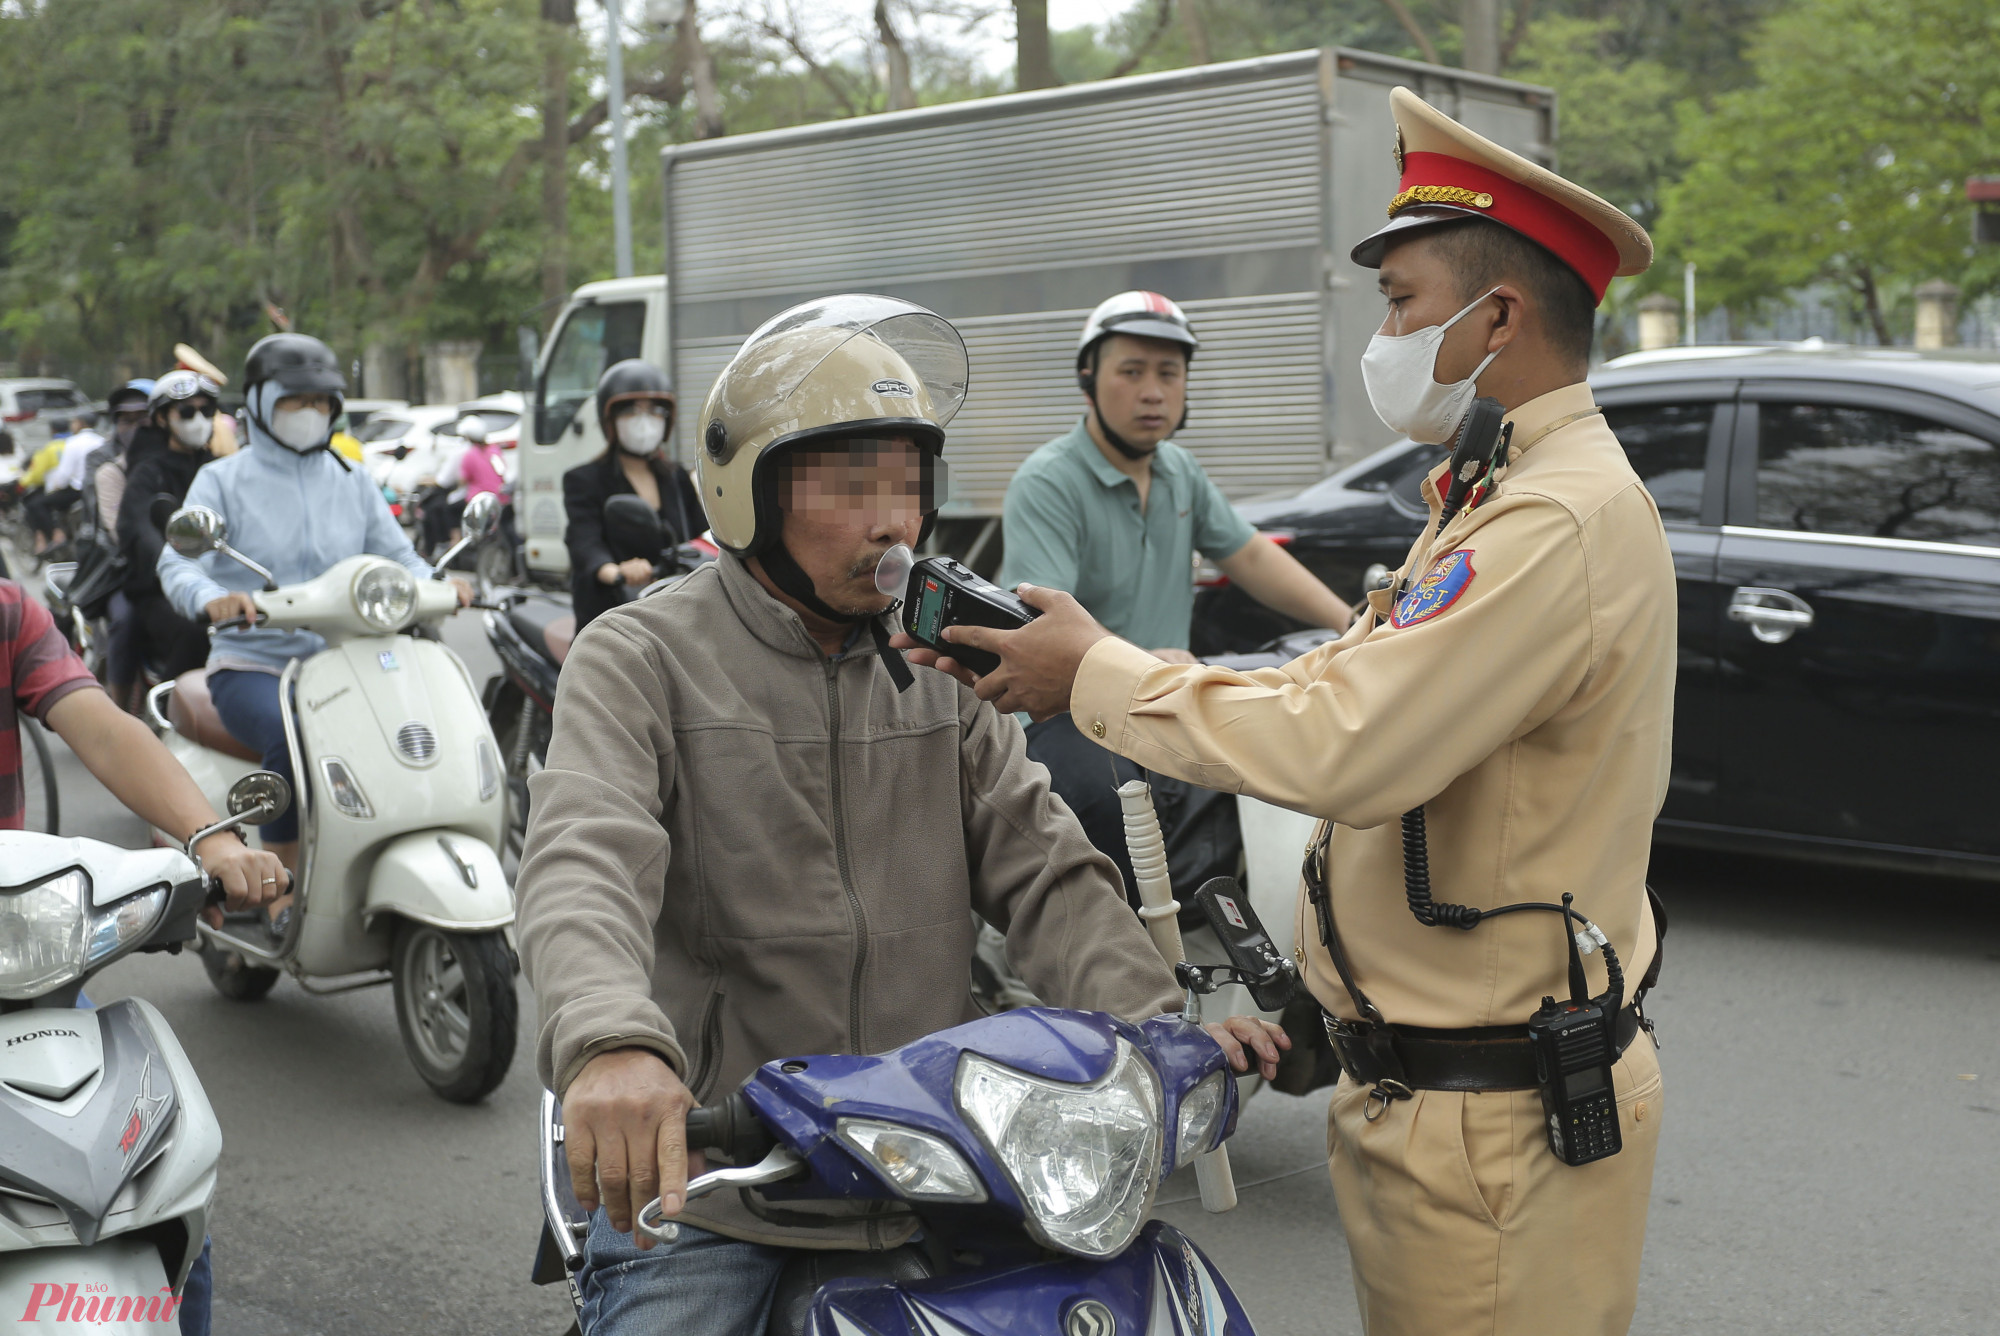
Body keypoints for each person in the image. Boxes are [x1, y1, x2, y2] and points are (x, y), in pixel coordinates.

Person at [900, 88, 1673, 1336]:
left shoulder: (1547, 518)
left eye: (1401, 301)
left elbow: (1338, 739)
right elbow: (1341, 685)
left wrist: (1094, 671)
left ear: (1496, 315)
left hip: (1488, 1112)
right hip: (1437, 1094)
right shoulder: (1492, 488)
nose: (1387, 331)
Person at [515, 295, 1285, 1336]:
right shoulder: (643, 658)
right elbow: (580, 859)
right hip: (721, 1172)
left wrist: (1155, 1029)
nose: (891, 520)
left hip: (940, 1147)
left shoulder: (936, 670)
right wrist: (612, 1045)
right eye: (848, 484)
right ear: (748, 496)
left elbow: (1047, 868)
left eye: (906, 483)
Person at [2, 574, 288, 1336]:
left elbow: (101, 726)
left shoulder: (7, 611)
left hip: (15, 963)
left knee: (145, 1183)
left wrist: (211, 839)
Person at [999, 290, 1354, 900]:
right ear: (1089, 377)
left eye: (1169, 373)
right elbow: (1042, 624)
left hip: (1161, 703)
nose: (1153, 392)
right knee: (1118, 870)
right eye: (1131, 372)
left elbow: (1247, 554)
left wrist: (1352, 625)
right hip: (1075, 715)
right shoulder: (1049, 480)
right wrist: (1136, 663)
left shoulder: (1178, 470)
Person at [157, 333, 469, 913]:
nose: (311, 414)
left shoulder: (350, 478)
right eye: (295, 401)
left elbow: (398, 555)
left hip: (346, 660)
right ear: (257, 405)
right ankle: (283, 889)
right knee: (291, 733)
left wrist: (440, 585)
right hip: (253, 663)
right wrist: (211, 597)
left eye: (322, 403)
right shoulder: (223, 480)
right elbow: (177, 558)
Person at [562, 359, 706, 631]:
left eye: (654, 411)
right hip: (614, 615)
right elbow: (584, 540)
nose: (644, 421)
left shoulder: (675, 478)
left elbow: (702, 535)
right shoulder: (584, 480)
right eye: (631, 411)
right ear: (610, 421)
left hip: (678, 610)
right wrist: (614, 571)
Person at [113, 372, 219, 691]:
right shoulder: (149, 472)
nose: (197, 420)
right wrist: (178, 570)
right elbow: (139, 528)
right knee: (196, 634)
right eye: (186, 412)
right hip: (160, 588)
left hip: (224, 582)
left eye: (206, 411)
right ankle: (171, 721)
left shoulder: (222, 470)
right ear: (162, 419)